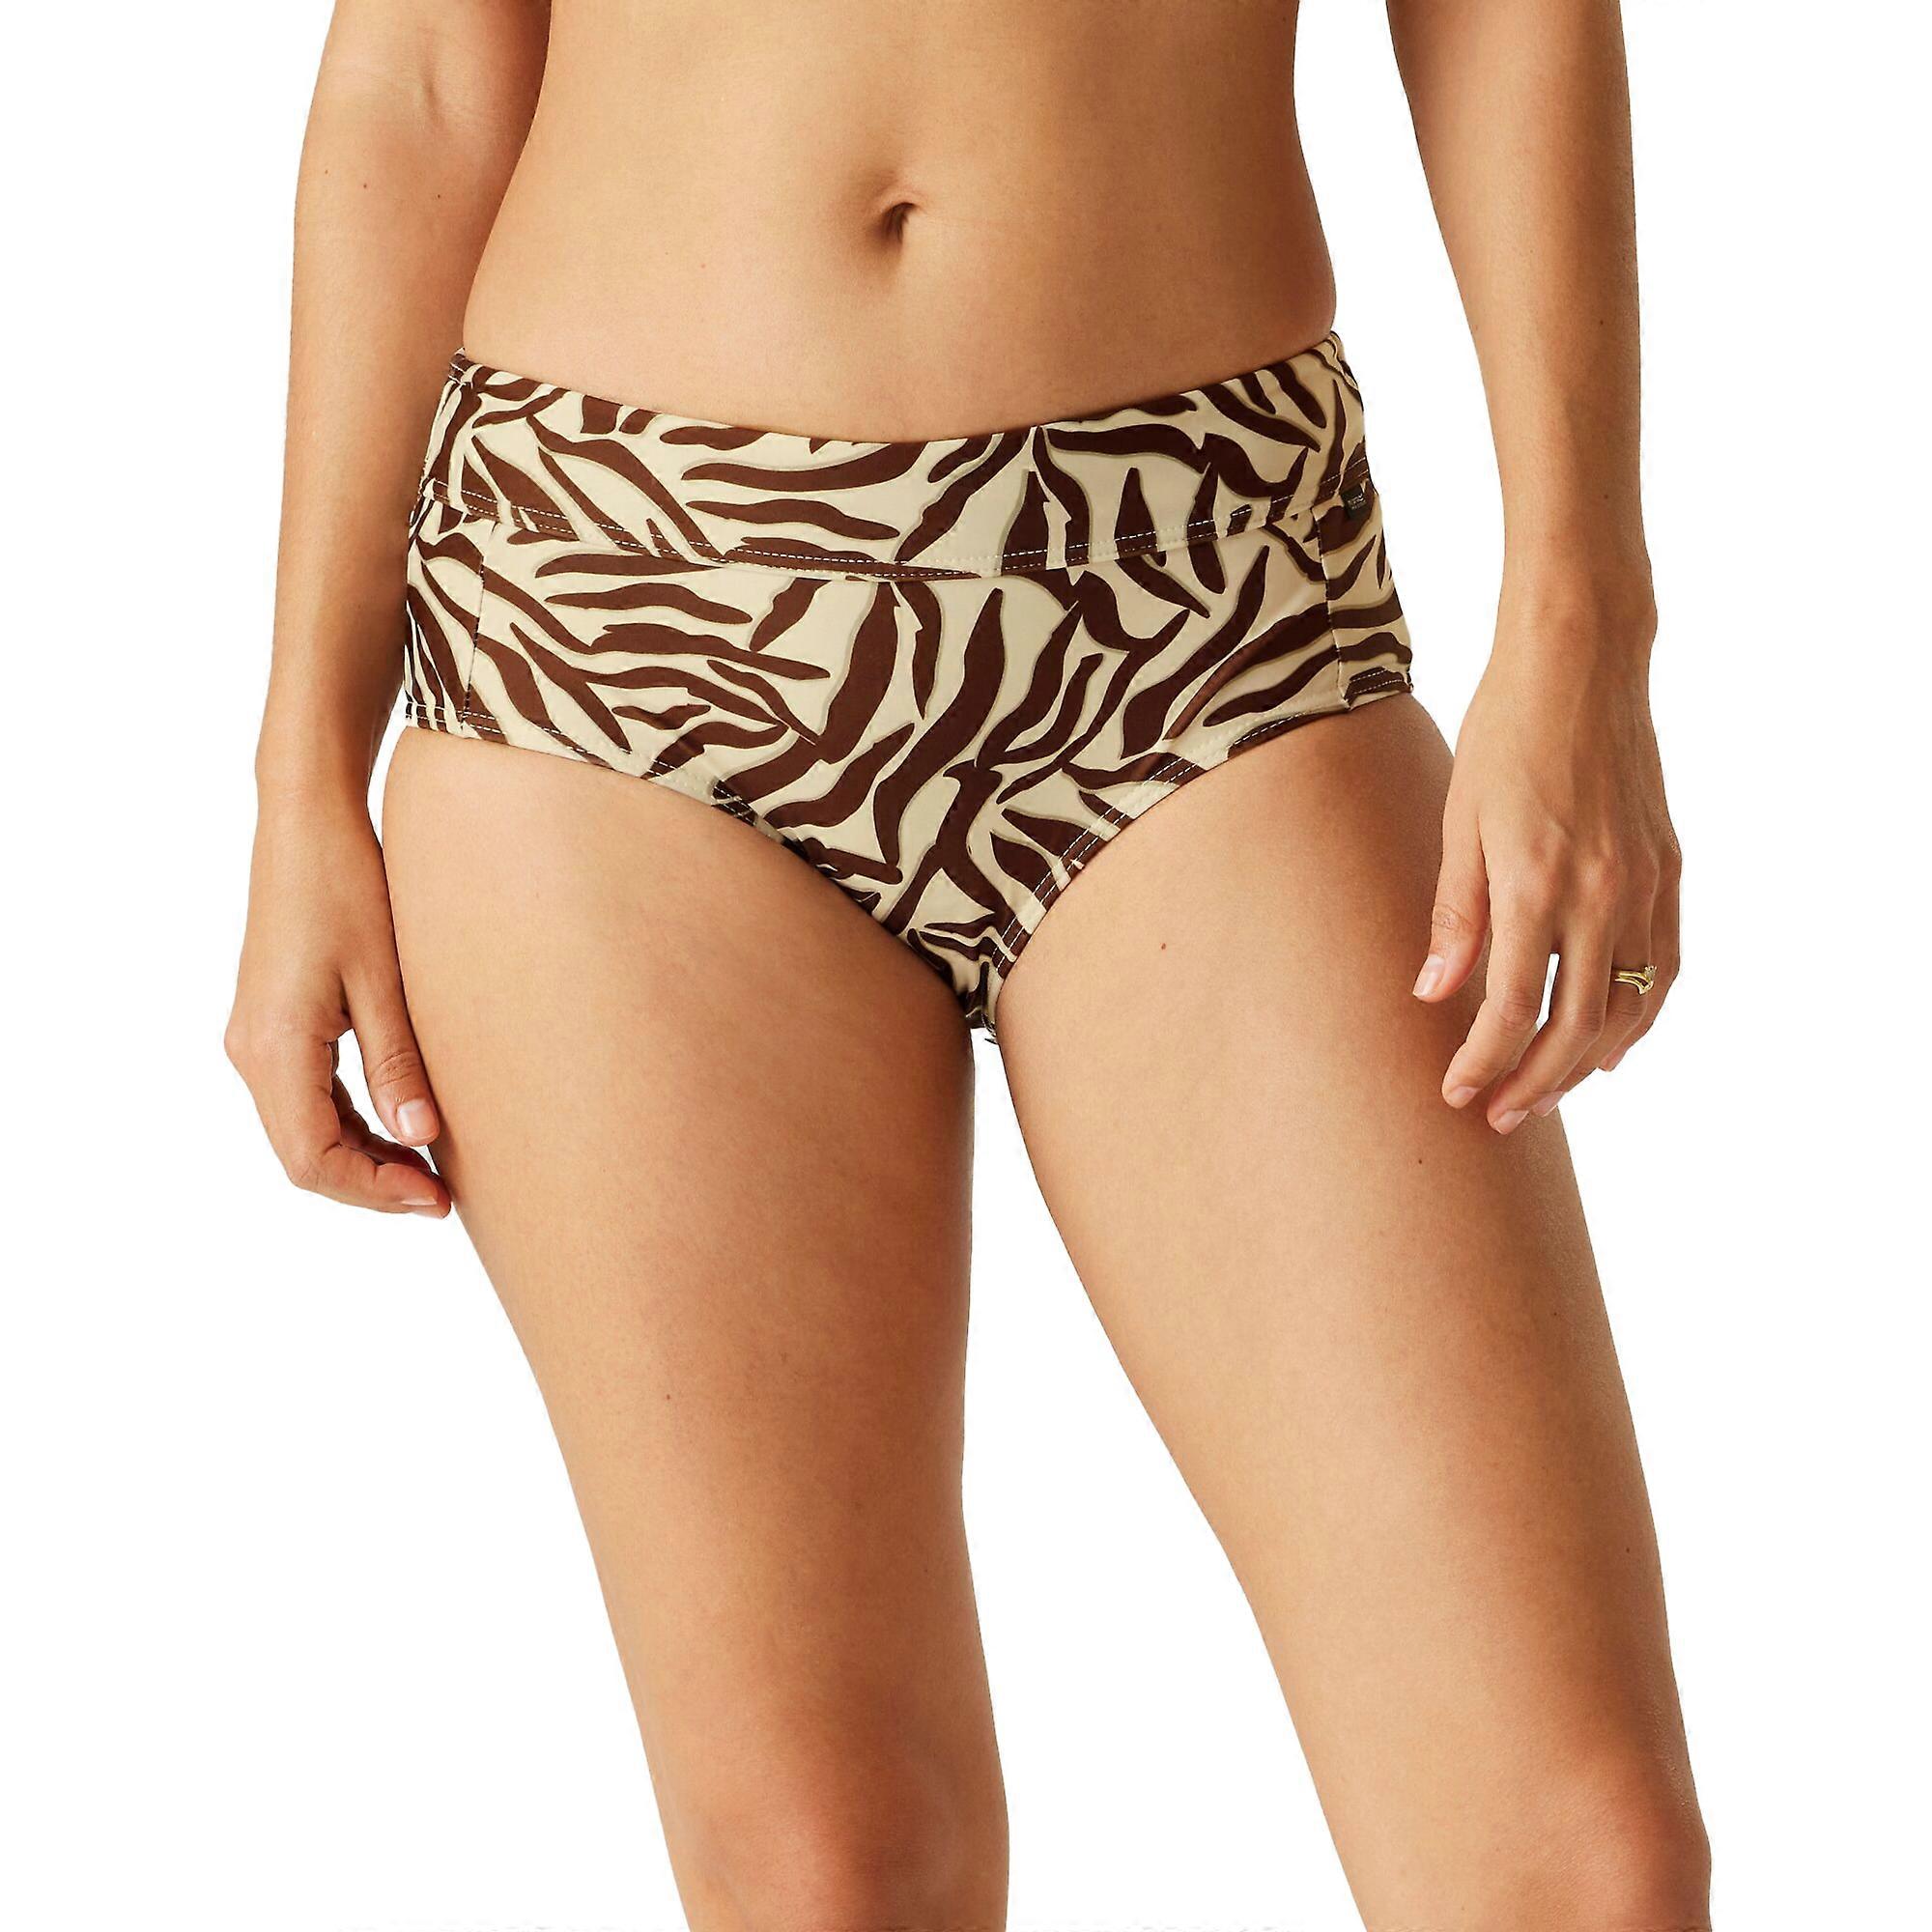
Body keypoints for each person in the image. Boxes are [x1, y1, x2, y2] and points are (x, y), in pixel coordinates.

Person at [226, 3, 1706, 1926]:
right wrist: (300, 771)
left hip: (1202, 597)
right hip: (615, 612)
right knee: (833, 1864)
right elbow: (424, 67)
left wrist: (1586, 626)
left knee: (1579, 1860)